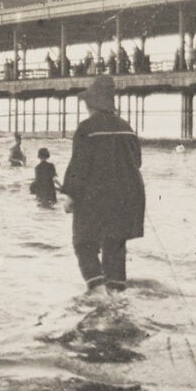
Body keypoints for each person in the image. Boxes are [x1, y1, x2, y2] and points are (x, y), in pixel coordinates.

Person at [62, 75, 145, 295]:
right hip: (129, 195)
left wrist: (70, 196)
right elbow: (137, 161)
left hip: (97, 195)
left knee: (84, 242)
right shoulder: (127, 127)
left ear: (92, 104)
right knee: (115, 245)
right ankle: (116, 295)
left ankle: (98, 293)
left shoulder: (87, 128)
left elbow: (79, 165)